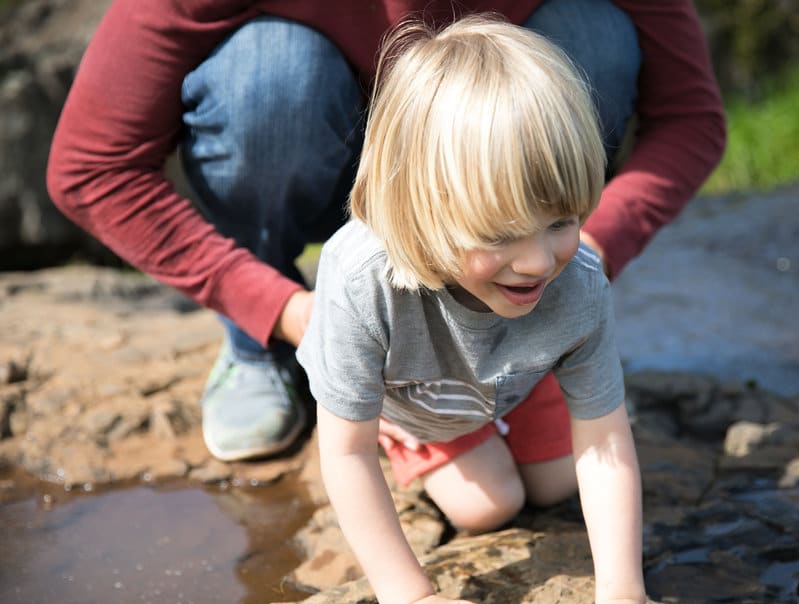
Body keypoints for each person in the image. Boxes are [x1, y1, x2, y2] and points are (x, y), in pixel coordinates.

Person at [47, 0, 726, 462]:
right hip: (330, 149)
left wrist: (575, 256)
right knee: (267, 79)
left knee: (593, 37)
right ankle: (260, 348)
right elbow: (90, 165)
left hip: (494, 163)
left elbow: (692, 118)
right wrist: (284, 309)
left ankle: (516, 332)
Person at [296, 16, 717, 604]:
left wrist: (622, 596)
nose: (537, 262)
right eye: (499, 236)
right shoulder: (361, 278)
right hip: (417, 394)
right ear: (418, 208)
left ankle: (508, 400)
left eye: (561, 220)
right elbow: (344, 455)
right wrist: (409, 602)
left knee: (555, 486)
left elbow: (604, 437)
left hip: (514, 373)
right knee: (489, 503)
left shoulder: (575, 282)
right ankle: (404, 431)